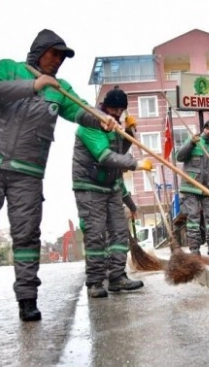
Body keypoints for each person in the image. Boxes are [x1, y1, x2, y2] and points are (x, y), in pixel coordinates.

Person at [0, 29, 120, 323]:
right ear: (39, 51)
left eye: (63, 56)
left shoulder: (60, 89)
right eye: (55, 53)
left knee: (26, 235)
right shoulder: (8, 68)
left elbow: (81, 112)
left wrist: (103, 119)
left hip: (28, 172)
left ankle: (27, 299)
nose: (59, 60)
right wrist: (34, 85)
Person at [73, 87, 152, 298]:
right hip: (89, 186)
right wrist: (137, 164)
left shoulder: (115, 125)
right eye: (114, 108)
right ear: (104, 105)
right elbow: (106, 157)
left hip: (111, 186)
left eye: (121, 109)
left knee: (119, 231)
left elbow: (119, 152)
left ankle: (117, 277)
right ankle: (95, 282)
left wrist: (128, 133)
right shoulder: (91, 123)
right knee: (96, 234)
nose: (117, 113)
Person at [176, 119, 209, 256]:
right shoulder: (194, 141)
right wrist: (191, 143)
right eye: (207, 129)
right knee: (193, 218)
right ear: (204, 128)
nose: (208, 132)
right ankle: (194, 250)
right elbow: (180, 157)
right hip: (191, 186)